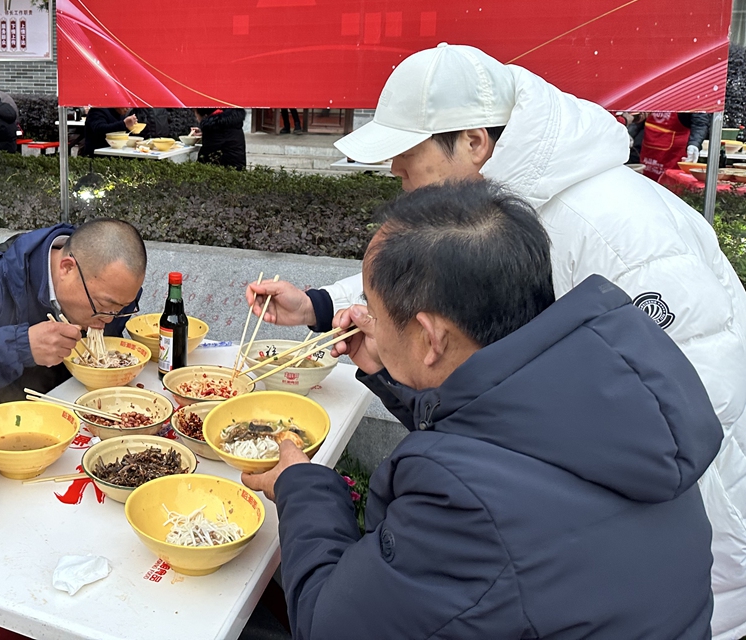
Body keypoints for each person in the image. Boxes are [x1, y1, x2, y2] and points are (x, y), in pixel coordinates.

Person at [246, 42, 746, 640]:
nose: (405, 188)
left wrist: (308, 491)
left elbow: (690, 389)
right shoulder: (502, 217)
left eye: (407, 169)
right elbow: (437, 283)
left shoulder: (611, 225)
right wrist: (321, 305)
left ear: (474, 142)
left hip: (681, 537)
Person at [0, 219, 146, 422]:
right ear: (66, 268)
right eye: (103, 306)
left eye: (122, 308)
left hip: (71, 417)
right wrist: (20, 346)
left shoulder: (108, 290)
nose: (107, 320)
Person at [636, 112, 712, 181]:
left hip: (674, 154)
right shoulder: (649, 97)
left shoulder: (691, 97)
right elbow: (636, 116)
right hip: (648, 149)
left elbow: (700, 123)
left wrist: (694, 144)